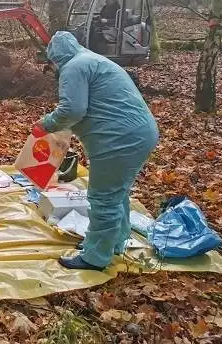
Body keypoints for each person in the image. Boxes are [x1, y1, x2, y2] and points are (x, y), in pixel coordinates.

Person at [35, 31, 158, 271]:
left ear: (55, 58)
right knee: (116, 193)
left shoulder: (73, 67)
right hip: (138, 132)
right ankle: (113, 243)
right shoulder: (91, 59)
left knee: (103, 197)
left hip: (118, 138)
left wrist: (45, 123)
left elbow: (72, 110)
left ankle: (95, 257)